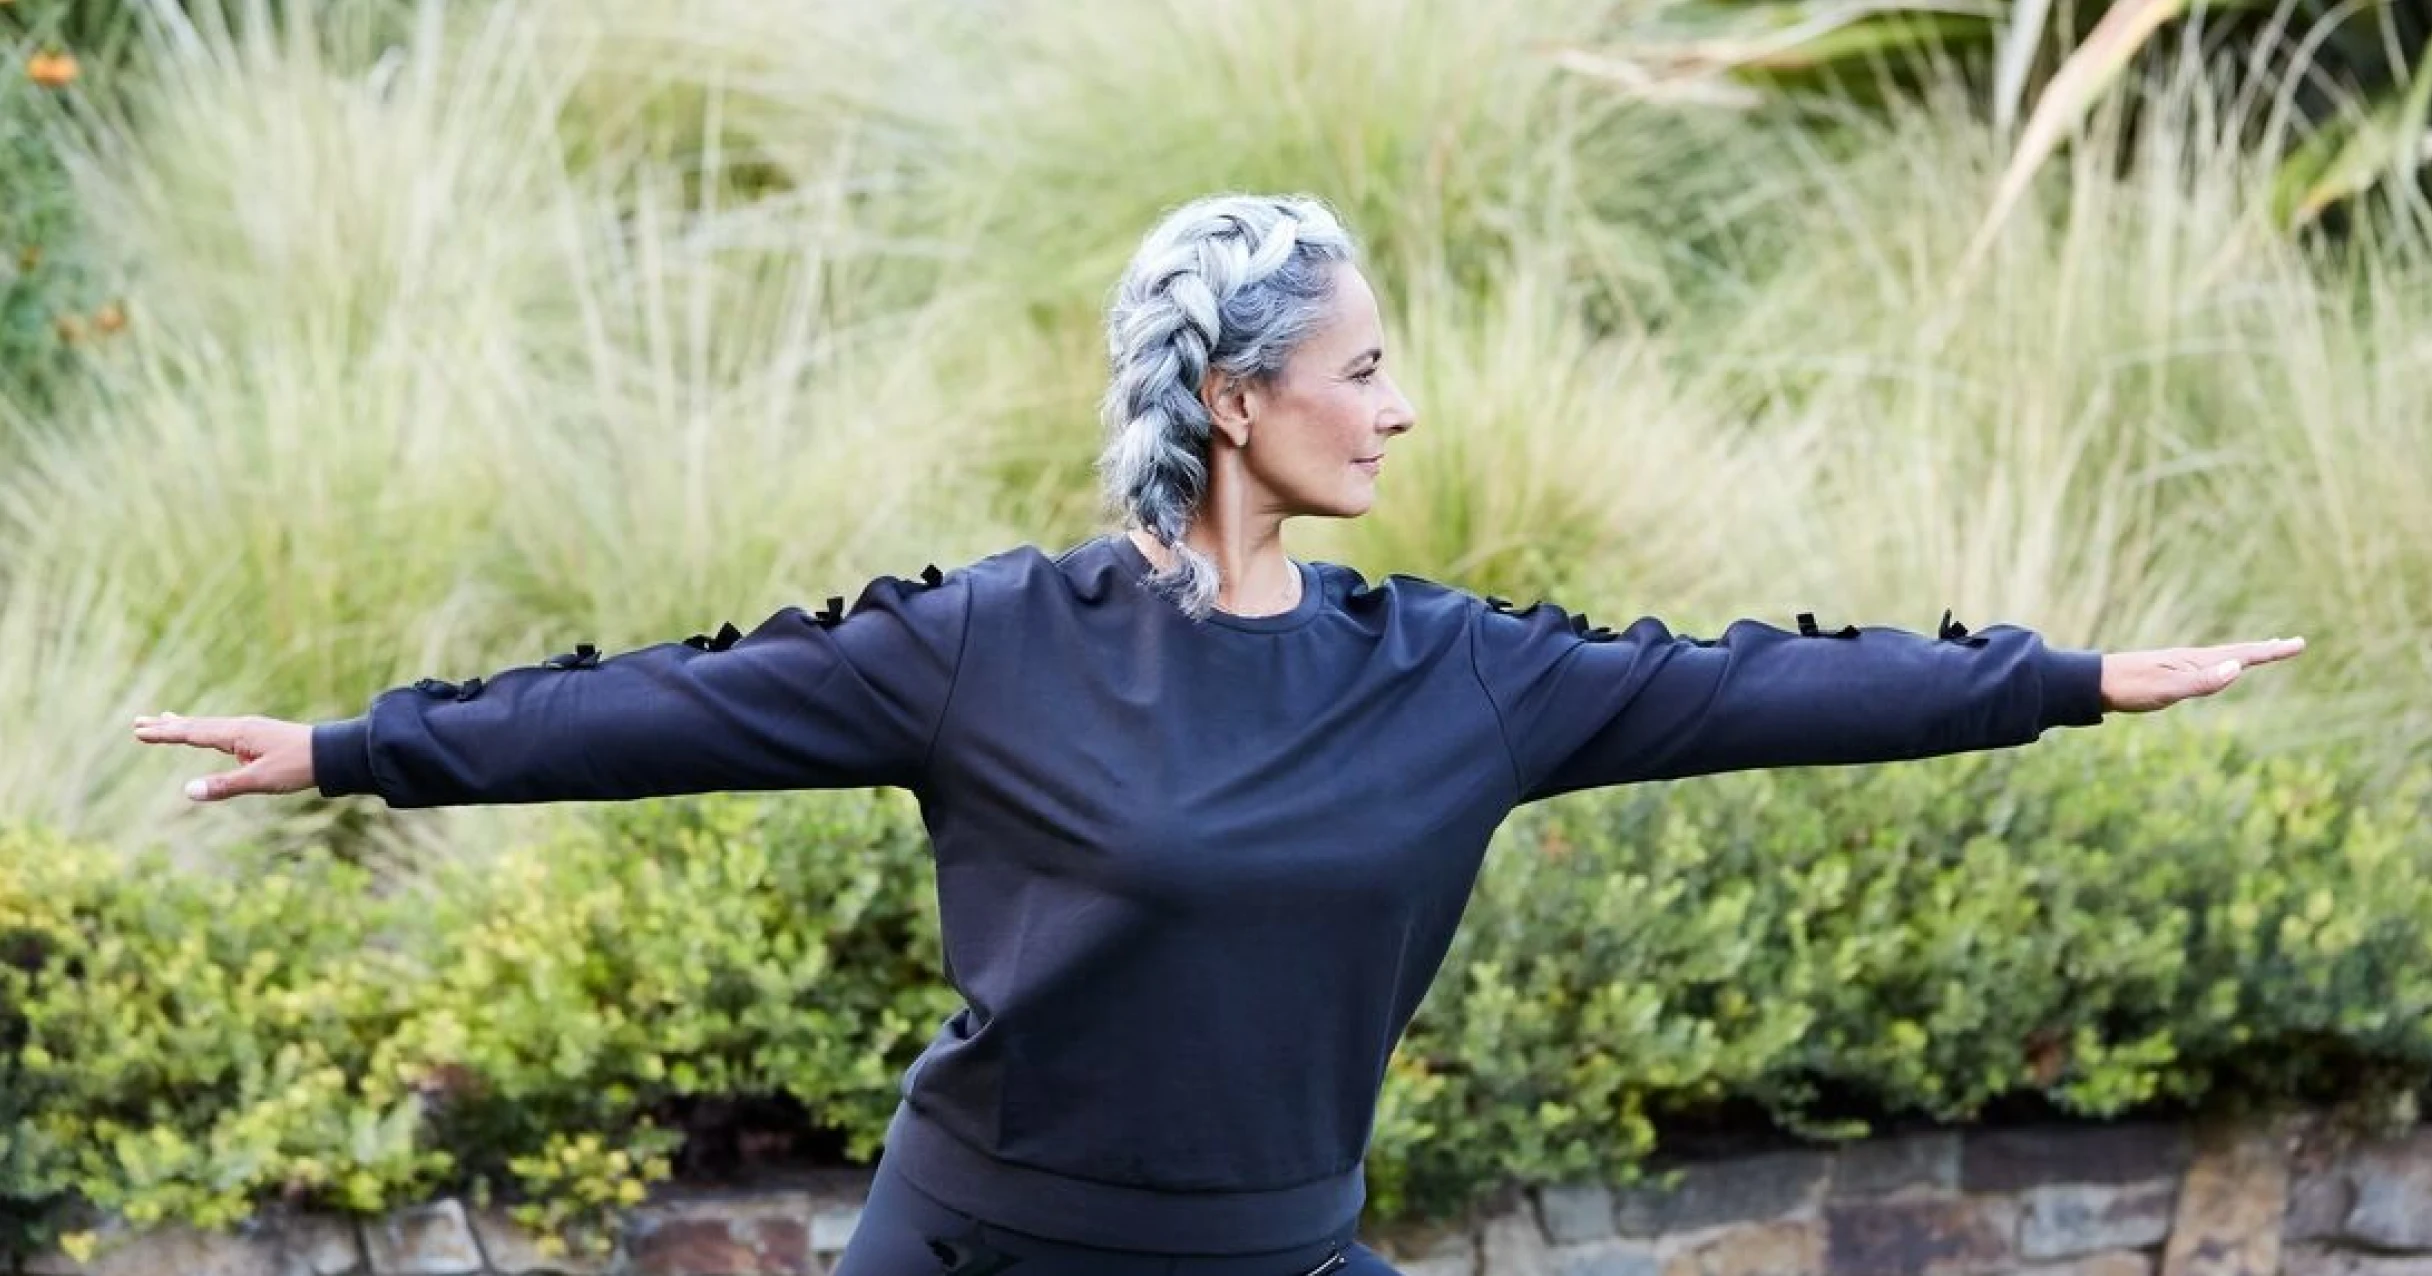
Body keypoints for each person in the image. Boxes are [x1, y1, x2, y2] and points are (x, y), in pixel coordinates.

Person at [134, 193, 2304, 1275]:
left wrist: (2064, 676)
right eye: (1361, 367)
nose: (1401, 405)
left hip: (1276, 1242)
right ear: (1235, 398)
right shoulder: (992, 643)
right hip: (973, 1236)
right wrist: (355, 745)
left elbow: (1752, 683)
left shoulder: (1454, 670)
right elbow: (666, 702)